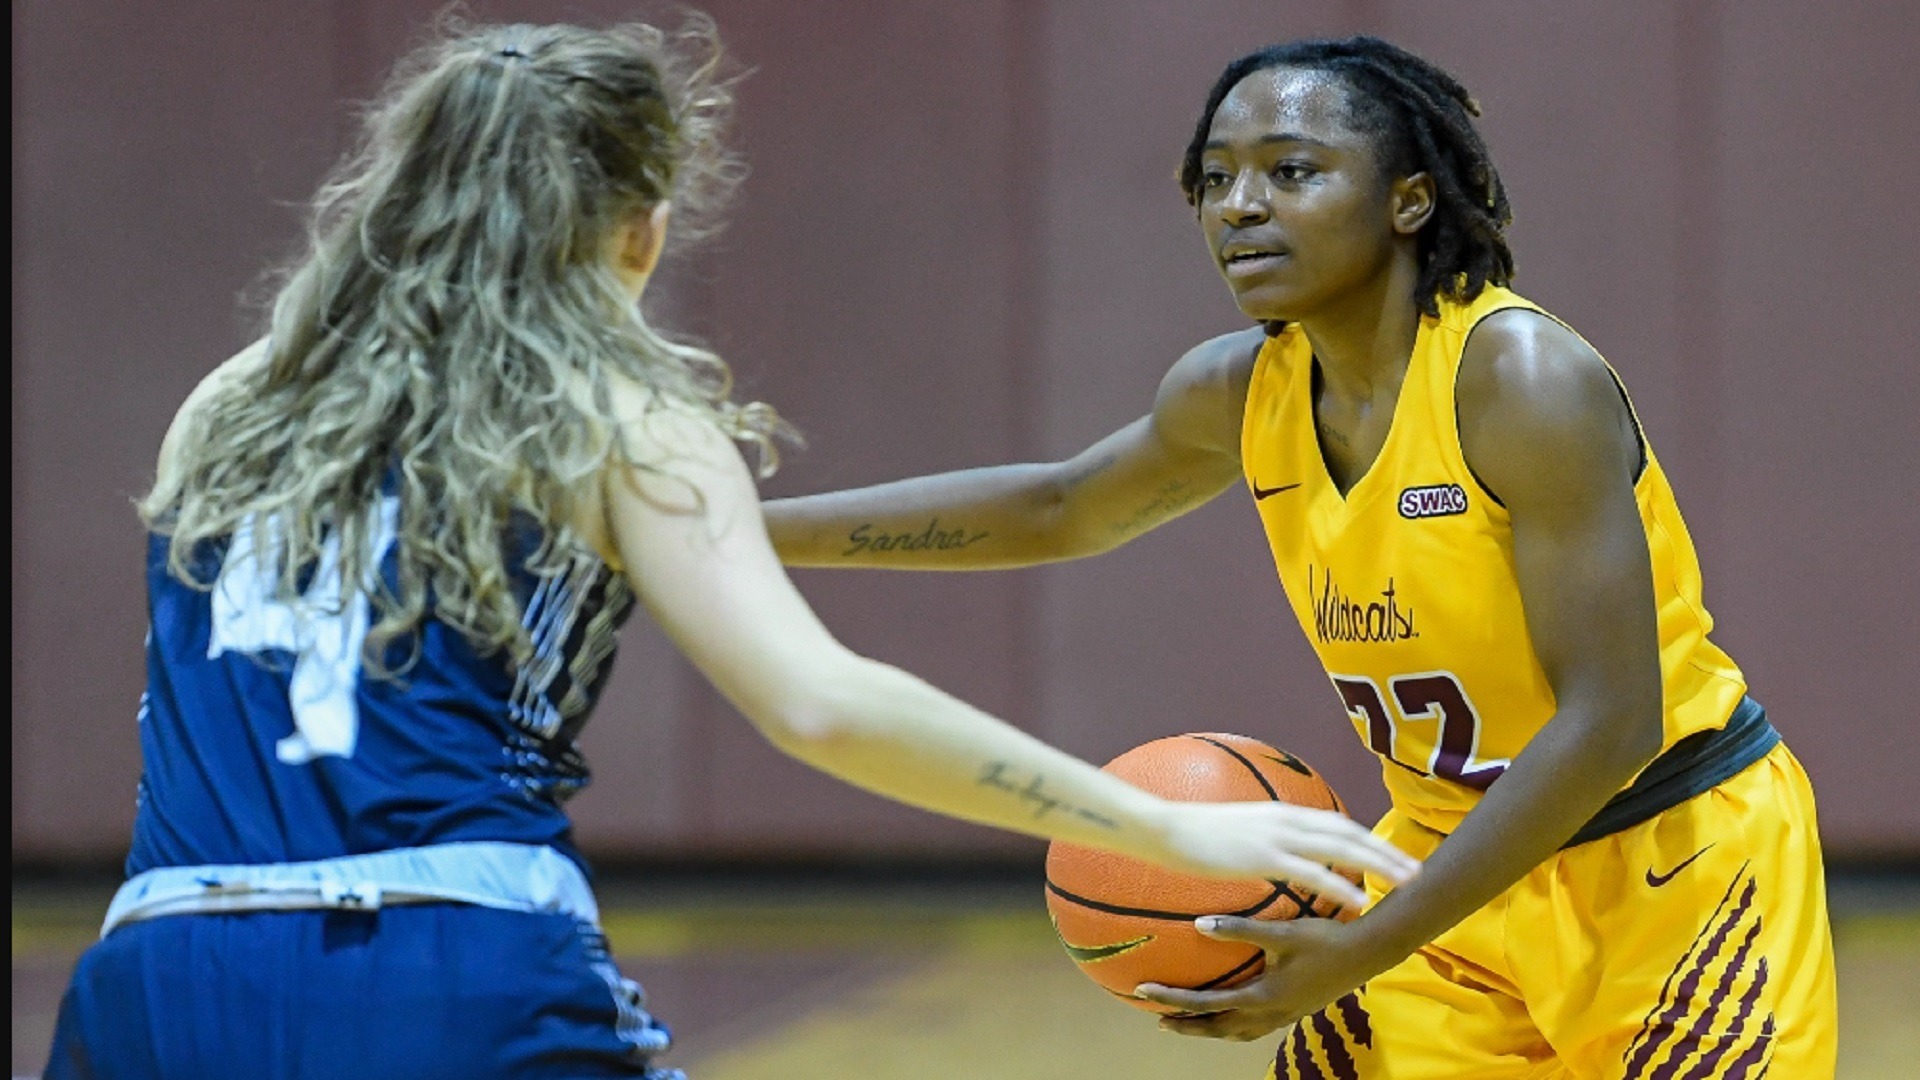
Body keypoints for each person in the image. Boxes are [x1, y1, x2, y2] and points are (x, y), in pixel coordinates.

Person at [40, 19, 1419, 1080]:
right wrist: (1165, 826)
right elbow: (818, 702)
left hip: (151, 971)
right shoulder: (609, 404)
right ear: (637, 228)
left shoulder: (234, 399)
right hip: (447, 950)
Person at [764, 35, 1838, 1080]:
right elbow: (1059, 506)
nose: (1240, 206)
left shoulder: (1517, 379)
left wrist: (1367, 943)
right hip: (1447, 860)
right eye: (1215, 179)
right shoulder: (1239, 390)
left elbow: (1610, 723)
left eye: (1291, 171)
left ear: (1408, 200)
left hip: (1672, 865)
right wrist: (740, 533)